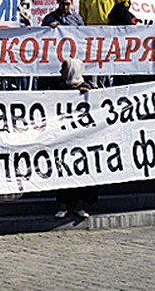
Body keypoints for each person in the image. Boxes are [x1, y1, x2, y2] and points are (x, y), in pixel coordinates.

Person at [53, 58, 97, 220]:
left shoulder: (89, 89)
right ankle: (63, 206)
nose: (60, 72)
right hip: (64, 140)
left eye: (63, 68)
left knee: (81, 173)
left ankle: (79, 206)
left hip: (82, 141)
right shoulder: (58, 89)